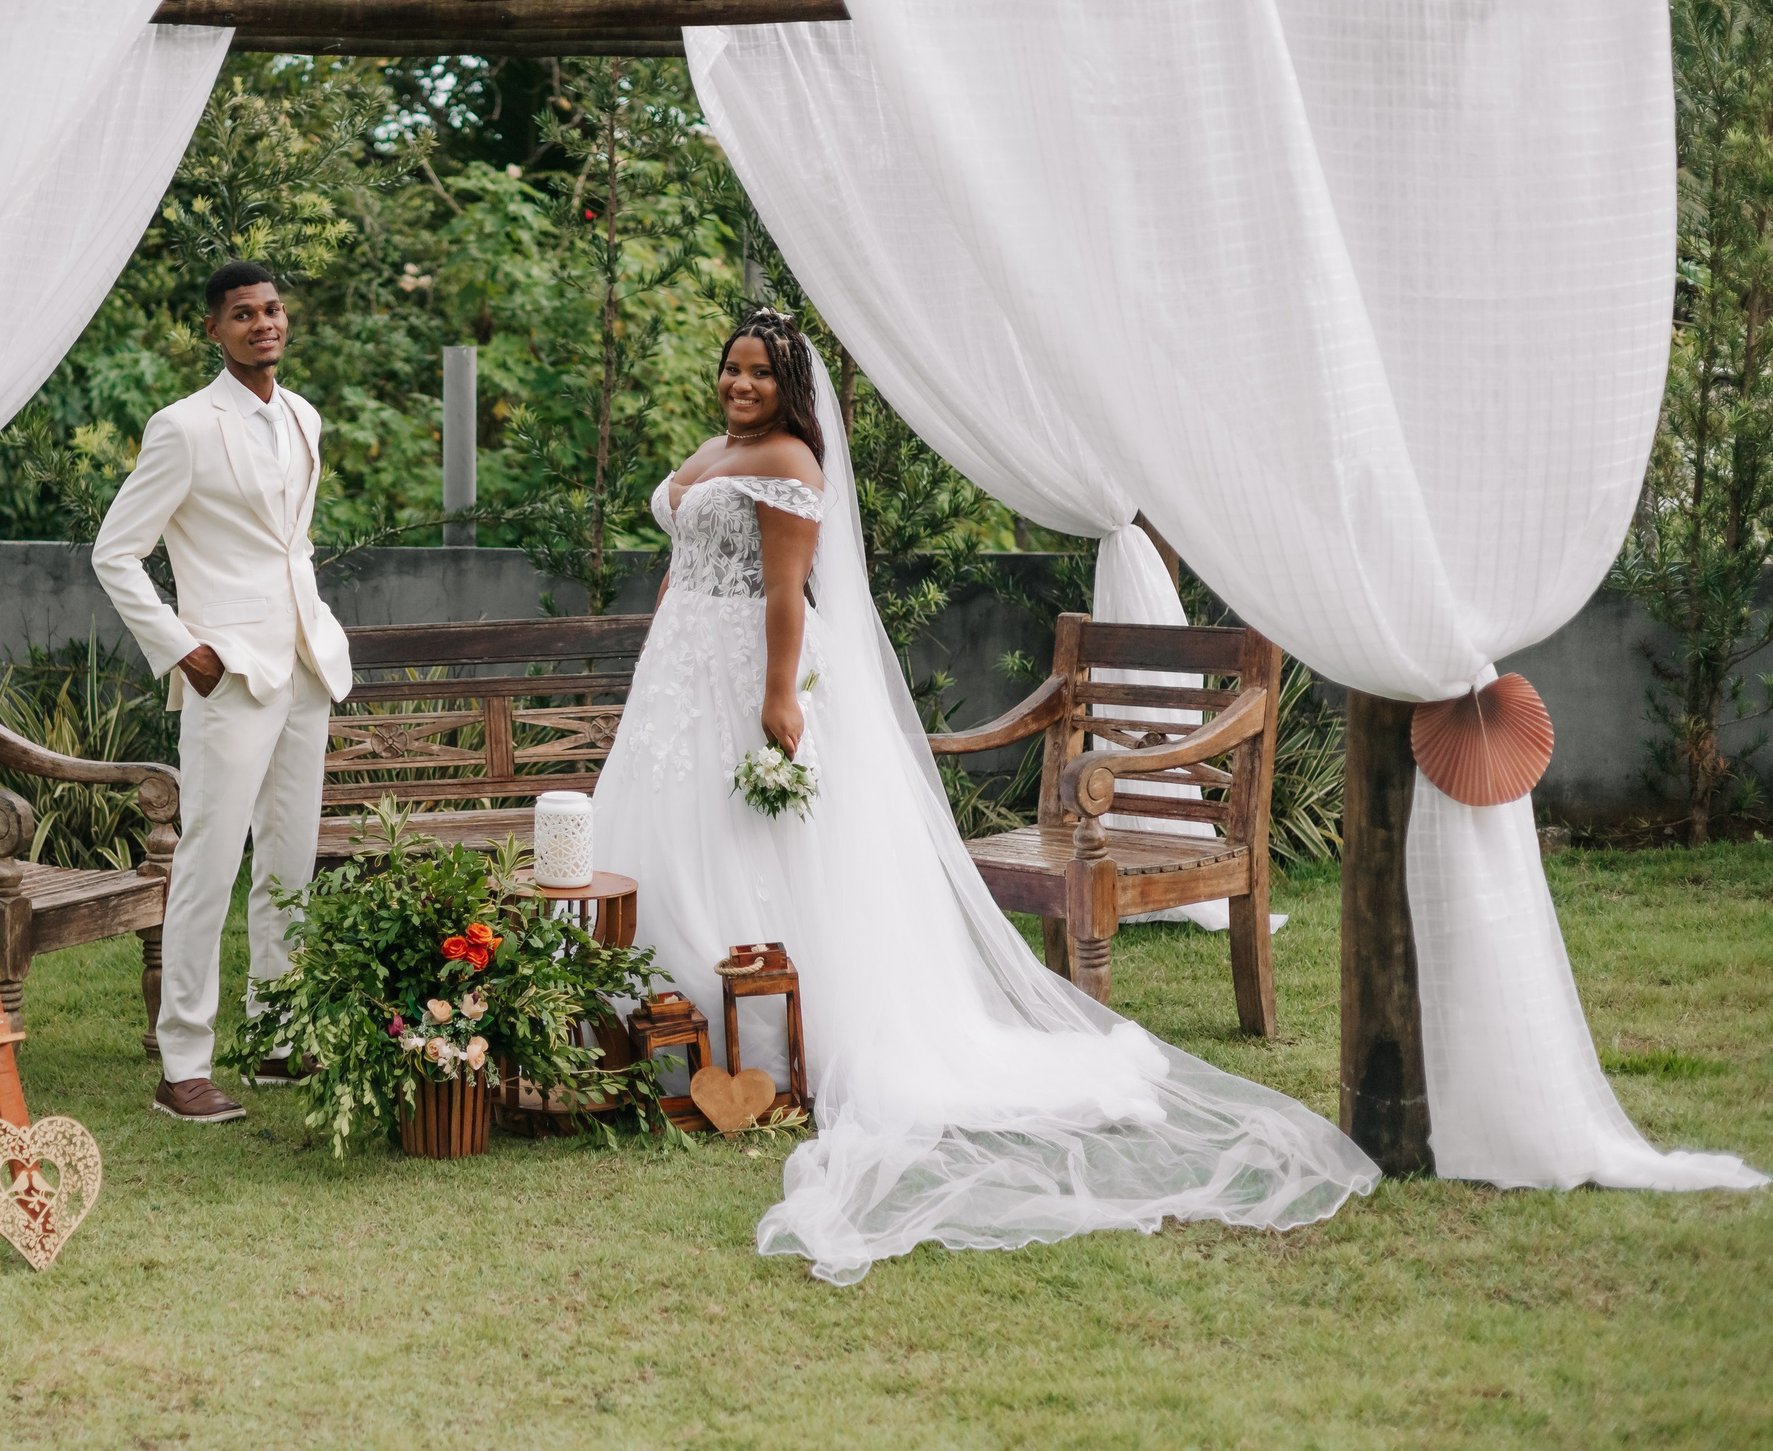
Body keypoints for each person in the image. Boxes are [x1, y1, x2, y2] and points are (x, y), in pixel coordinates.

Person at [591, 309, 1380, 1284]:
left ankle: (765, 1041)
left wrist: (778, 697)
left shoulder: (790, 462)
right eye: (731, 368)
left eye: (758, 373)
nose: (739, 384)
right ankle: (661, 1027)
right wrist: (661, 649)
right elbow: (686, 567)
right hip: (679, 676)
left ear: (787, 387)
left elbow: (787, 593)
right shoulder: (714, 451)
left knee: (751, 840)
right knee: (672, 836)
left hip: (751, 670)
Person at [93, 260, 354, 1124]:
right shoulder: (183, 427)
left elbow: (288, 545)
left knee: (289, 861)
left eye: (272, 309)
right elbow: (115, 552)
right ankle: (182, 1065)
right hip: (229, 671)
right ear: (215, 329)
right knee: (210, 864)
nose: (263, 323)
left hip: (305, 665)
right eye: (243, 314)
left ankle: (278, 1033)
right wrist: (182, 648)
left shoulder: (305, 415)